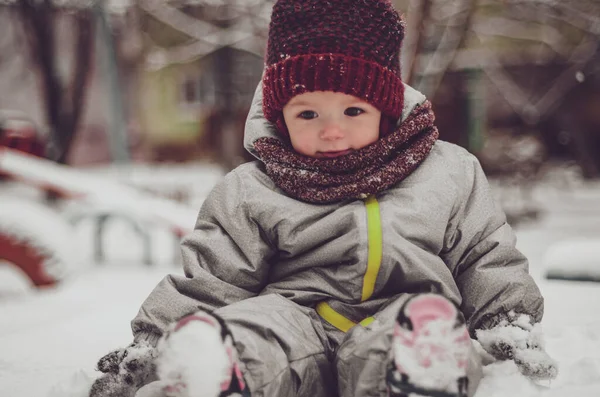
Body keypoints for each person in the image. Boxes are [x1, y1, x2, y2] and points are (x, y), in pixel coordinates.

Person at [89, 1, 558, 397]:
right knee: (255, 328)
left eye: (353, 110)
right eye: (307, 112)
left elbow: (484, 256)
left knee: (415, 328)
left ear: (387, 109)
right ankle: (215, 364)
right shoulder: (253, 187)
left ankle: (417, 371)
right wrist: (152, 344)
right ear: (279, 115)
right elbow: (212, 279)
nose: (331, 130)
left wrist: (507, 322)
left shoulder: (449, 173)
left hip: (402, 312)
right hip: (296, 318)